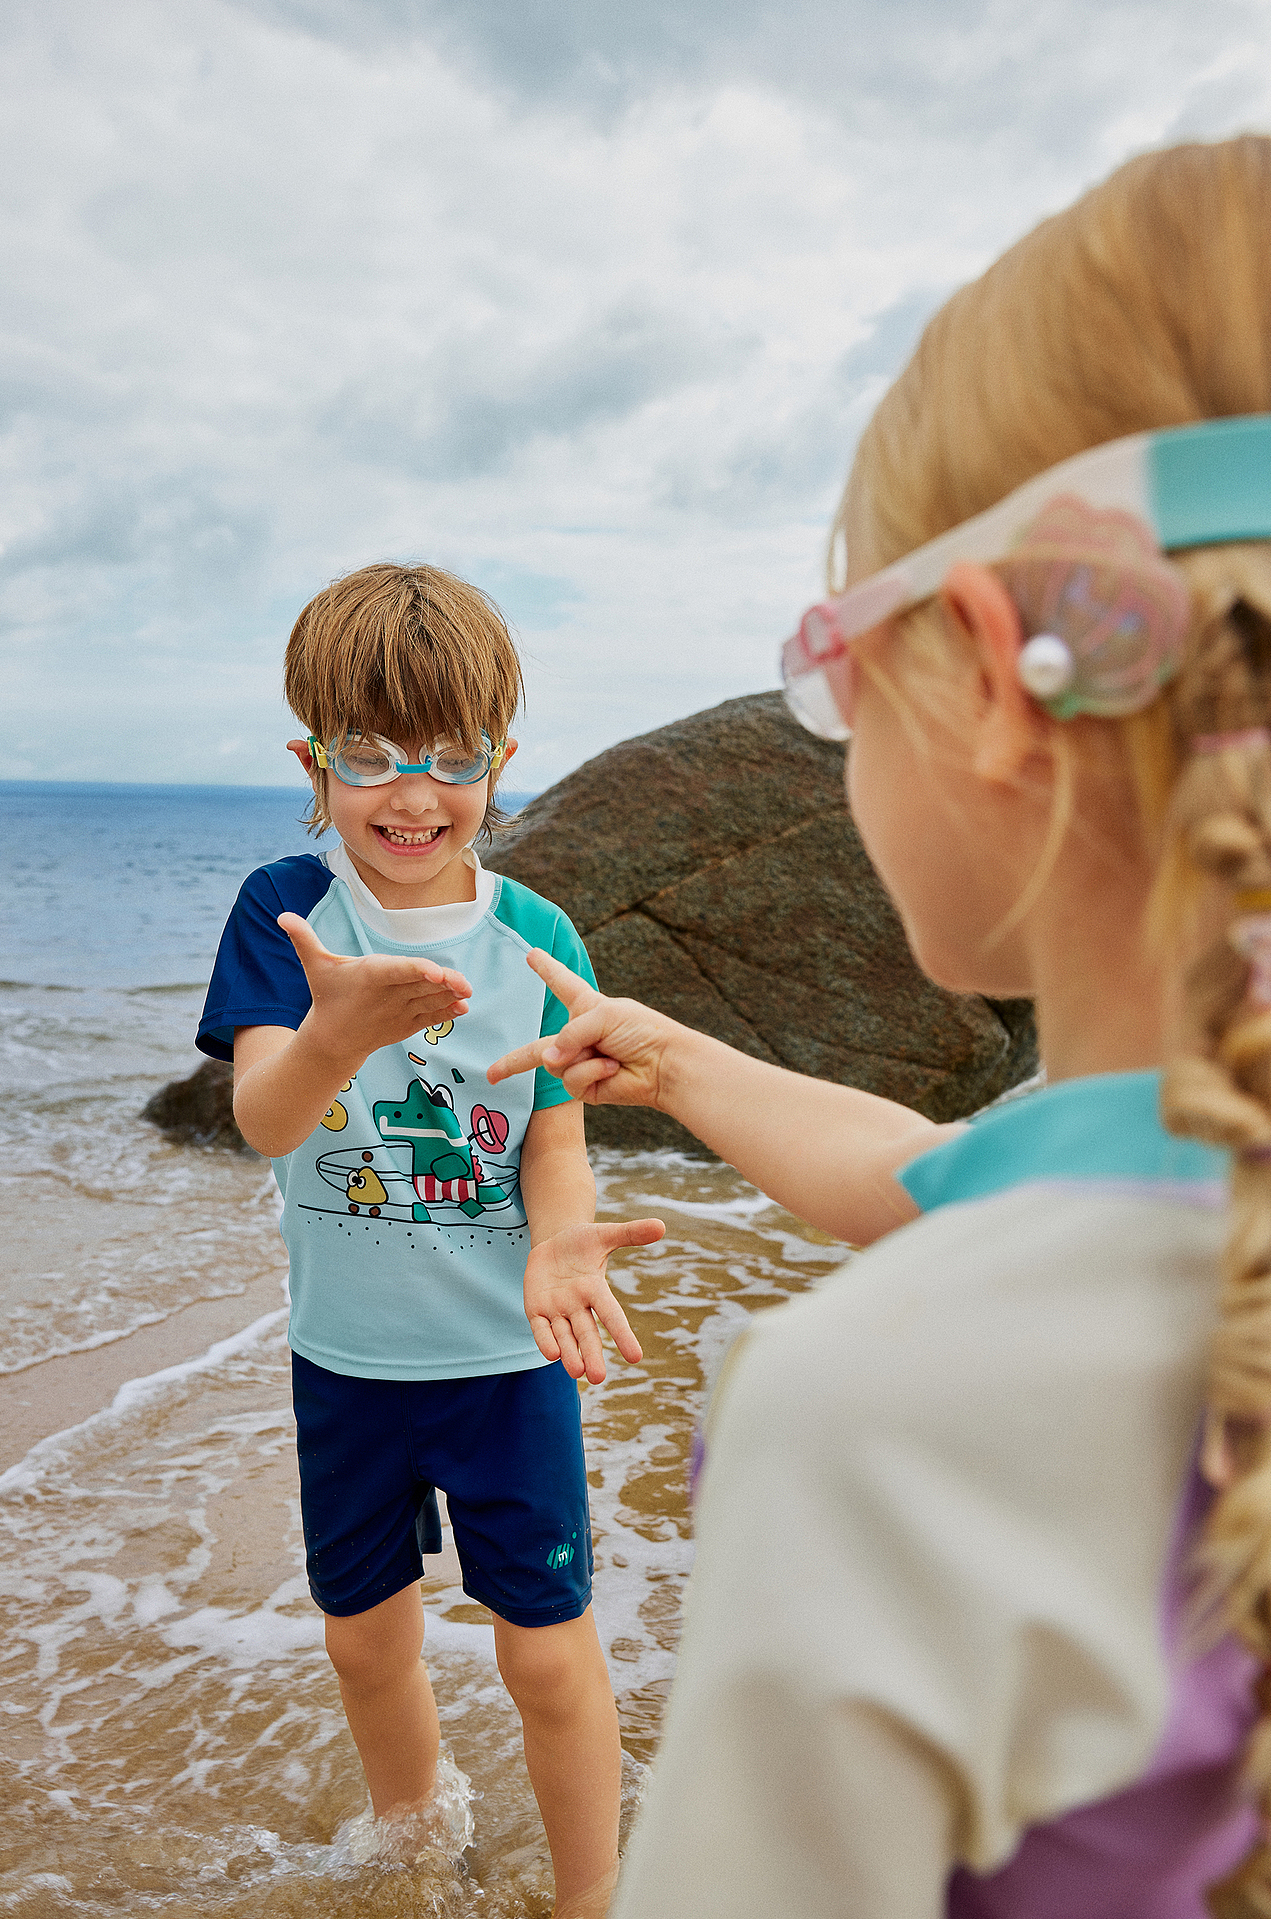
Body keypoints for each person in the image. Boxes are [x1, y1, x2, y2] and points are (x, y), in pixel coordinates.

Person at [489, 138, 1271, 1917]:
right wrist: (682, 1062)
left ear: (997, 674)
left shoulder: (883, 1409)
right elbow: (937, 1174)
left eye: (836, 671)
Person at [196, 563, 663, 1919]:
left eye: (451, 755)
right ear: (313, 761)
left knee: (545, 1654)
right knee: (362, 1640)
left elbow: (553, 1136)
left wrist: (561, 1244)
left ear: (501, 760)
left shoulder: (536, 936)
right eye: (370, 755)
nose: (412, 793)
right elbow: (268, 1120)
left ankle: (591, 1898)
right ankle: (415, 1850)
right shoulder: (287, 914)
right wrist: (335, 1032)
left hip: (505, 1360)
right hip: (347, 1361)